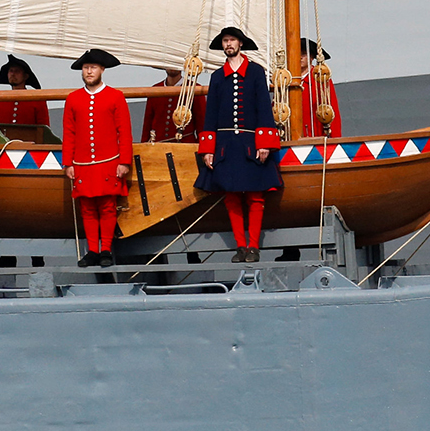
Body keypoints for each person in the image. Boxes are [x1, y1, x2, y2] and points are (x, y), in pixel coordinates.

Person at [196, 26, 283, 263]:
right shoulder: (216, 77)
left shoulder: (256, 72)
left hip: (250, 144)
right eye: (225, 41)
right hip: (225, 146)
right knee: (231, 196)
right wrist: (208, 150)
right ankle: (240, 246)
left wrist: (264, 143)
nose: (228, 44)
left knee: (255, 196)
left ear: (240, 43)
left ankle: (253, 246)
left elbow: (264, 108)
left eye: (232, 40)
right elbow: (210, 115)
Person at [63, 47, 132, 268]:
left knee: (107, 206)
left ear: (102, 69)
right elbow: (69, 132)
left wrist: (124, 161)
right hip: (82, 163)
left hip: (109, 161)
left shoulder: (116, 96)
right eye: (85, 68)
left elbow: (125, 131)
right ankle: (92, 250)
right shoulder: (73, 99)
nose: (89, 71)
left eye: (92, 67)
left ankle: (106, 249)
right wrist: (68, 163)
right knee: (87, 207)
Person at [0, 54, 50, 143]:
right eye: (11, 71)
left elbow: (44, 130)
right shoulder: (1, 100)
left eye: (17, 71)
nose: (13, 74)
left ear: (25, 76)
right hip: (4, 147)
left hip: (30, 148)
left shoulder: (38, 99)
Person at [142, 65, 206, 144]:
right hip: (158, 146)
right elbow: (147, 124)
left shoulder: (194, 89)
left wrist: (203, 148)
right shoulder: (155, 89)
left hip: (185, 146)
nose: (172, 67)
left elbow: (202, 123)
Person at [299, 38, 342, 138]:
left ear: (312, 57)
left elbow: (332, 109)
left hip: (317, 137)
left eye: (304, 54)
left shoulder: (321, 78)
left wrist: (335, 139)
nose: (300, 57)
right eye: (297, 54)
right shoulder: (286, 80)